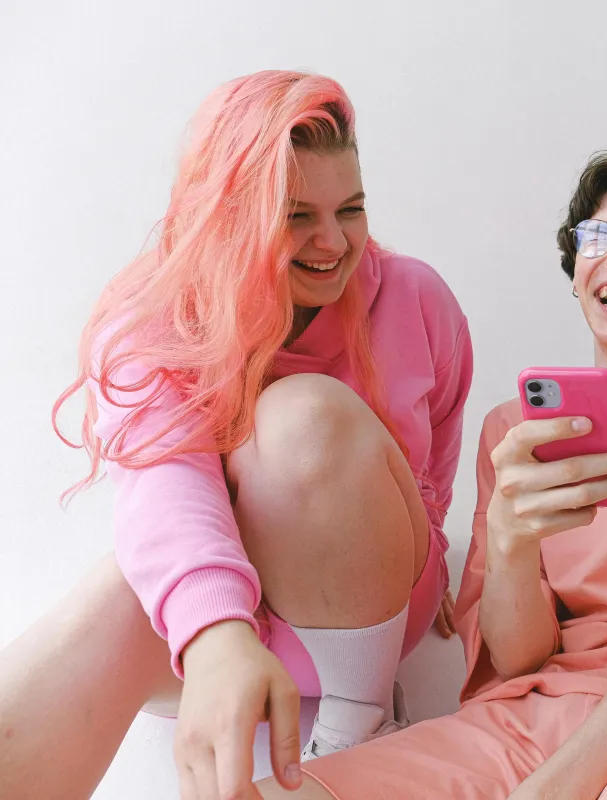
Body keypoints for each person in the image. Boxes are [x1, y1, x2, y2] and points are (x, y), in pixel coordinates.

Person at [256, 153, 607, 799]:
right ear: (577, 272)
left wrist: (558, 784)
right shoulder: (511, 431)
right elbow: (519, 658)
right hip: (538, 705)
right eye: (598, 236)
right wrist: (511, 541)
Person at [0, 71, 472, 800]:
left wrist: (428, 539)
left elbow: (437, 444)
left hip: (367, 604)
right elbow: (165, 480)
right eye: (296, 217)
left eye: (351, 210)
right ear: (228, 215)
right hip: (229, 626)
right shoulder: (153, 317)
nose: (333, 242)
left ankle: (359, 724)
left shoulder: (415, 297)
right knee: (109, 600)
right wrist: (216, 633)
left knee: (302, 418)